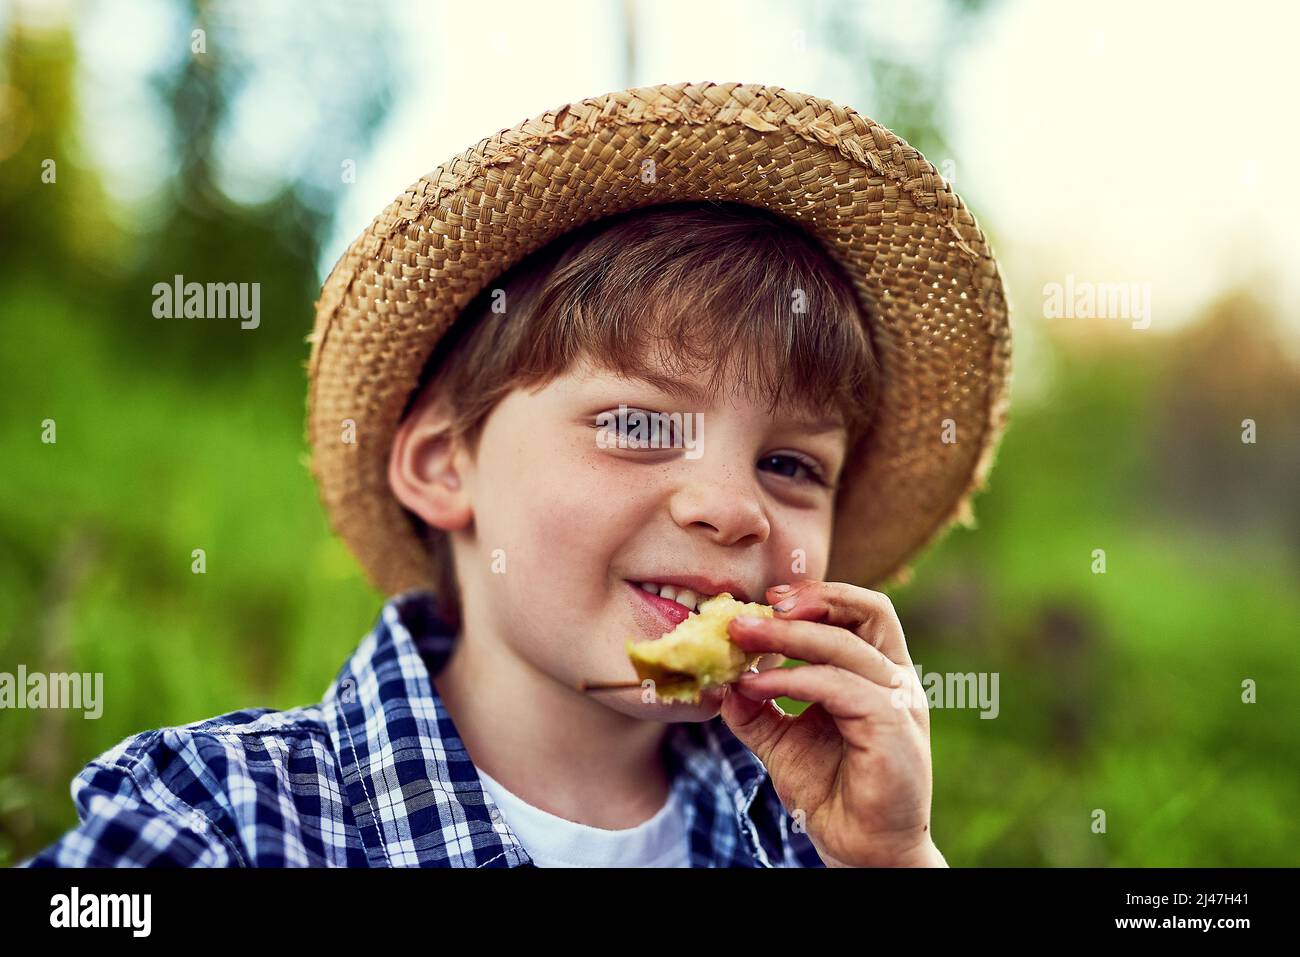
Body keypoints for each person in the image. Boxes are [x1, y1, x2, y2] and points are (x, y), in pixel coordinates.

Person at [23, 81, 1011, 868]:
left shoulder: (814, 840)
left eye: (790, 463)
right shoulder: (225, 813)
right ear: (446, 468)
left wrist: (891, 859)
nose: (729, 507)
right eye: (634, 422)